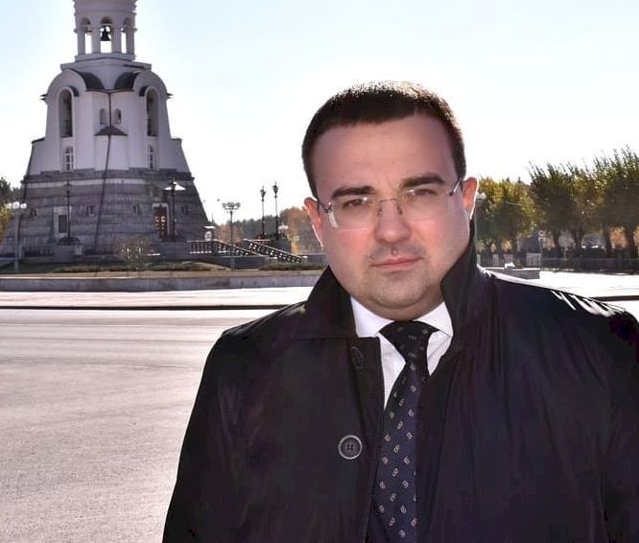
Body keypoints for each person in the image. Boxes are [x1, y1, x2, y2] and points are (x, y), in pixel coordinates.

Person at [163, 81, 638, 542]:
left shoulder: (600, 352)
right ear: (318, 220)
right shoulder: (244, 369)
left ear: (467, 199)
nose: (391, 230)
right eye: (356, 202)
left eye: (420, 193)